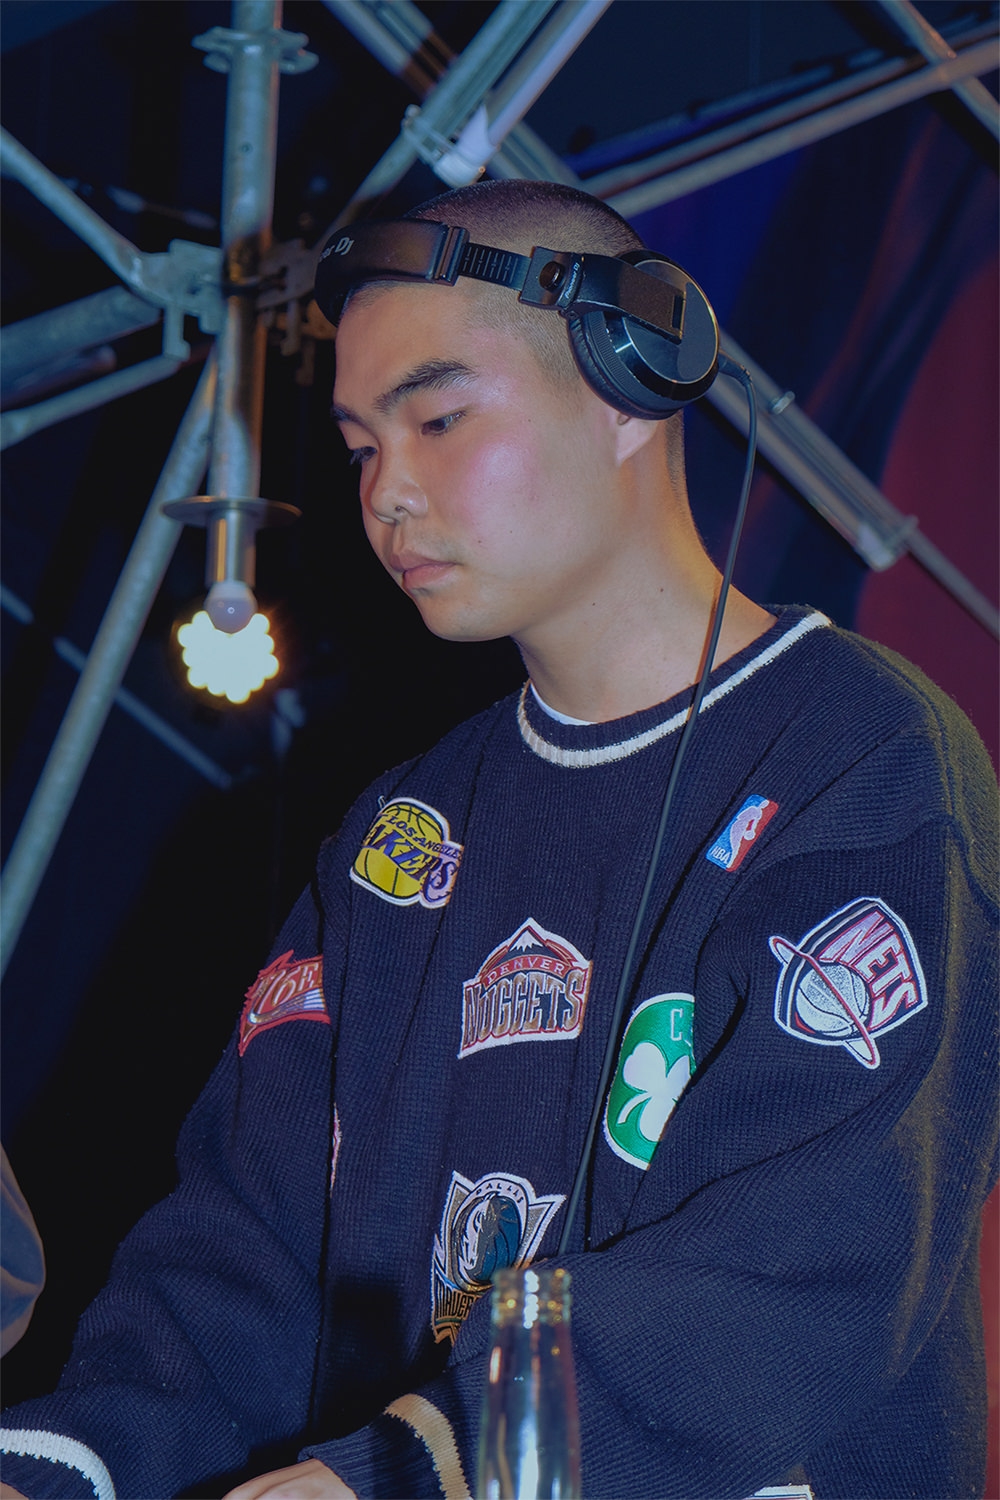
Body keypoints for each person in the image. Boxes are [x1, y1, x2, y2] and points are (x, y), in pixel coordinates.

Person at [1, 180, 996, 1500]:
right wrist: (62, 1468)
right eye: (361, 445)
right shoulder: (400, 837)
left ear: (633, 384)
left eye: (437, 419)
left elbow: (810, 1250)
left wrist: (410, 1467)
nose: (387, 492)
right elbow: (239, 1263)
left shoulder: (860, 759)